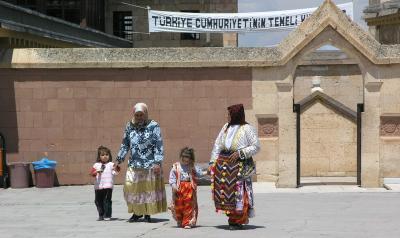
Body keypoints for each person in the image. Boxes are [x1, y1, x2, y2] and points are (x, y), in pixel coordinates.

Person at [209, 104, 260, 230]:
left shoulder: (247, 128)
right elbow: (217, 145)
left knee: (239, 192)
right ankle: (231, 218)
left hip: (240, 165)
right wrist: (212, 163)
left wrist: (240, 153)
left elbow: (256, 146)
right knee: (226, 193)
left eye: (229, 114)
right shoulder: (225, 127)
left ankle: (237, 219)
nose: (227, 117)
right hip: (224, 165)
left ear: (235, 115)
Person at [115, 102, 167, 223]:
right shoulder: (129, 126)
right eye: (137, 115)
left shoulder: (154, 125)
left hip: (150, 164)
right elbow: (125, 144)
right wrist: (119, 160)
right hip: (134, 164)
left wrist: (157, 162)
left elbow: (158, 144)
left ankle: (147, 212)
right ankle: (137, 212)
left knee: (148, 189)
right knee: (131, 188)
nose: (139, 117)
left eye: (141, 114)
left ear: (146, 114)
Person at [168, 147, 206, 229]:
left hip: (189, 189)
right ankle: (180, 220)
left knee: (189, 206)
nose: (185, 161)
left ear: (190, 159)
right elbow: (172, 178)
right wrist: (174, 186)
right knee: (178, 206)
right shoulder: (176, 166)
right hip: (178, 189)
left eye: (187, 160)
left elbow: (200, 173)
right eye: (184, 159)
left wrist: (208, 172)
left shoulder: (192, 166)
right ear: (181, 157)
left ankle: (187, 222)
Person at [90, 146, 119, 221]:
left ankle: (107, 214)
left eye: (107, 155)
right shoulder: (96, 165)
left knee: (107, 200)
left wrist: (116, 168)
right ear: (99, 157)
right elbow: (92, 174)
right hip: (98, 186)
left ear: (109, 156)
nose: (105, 156)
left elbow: (115, 172)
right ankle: (101, 214)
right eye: (102, 155)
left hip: (108, 186)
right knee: (97, 201)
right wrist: (97, 171)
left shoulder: (111, 164)